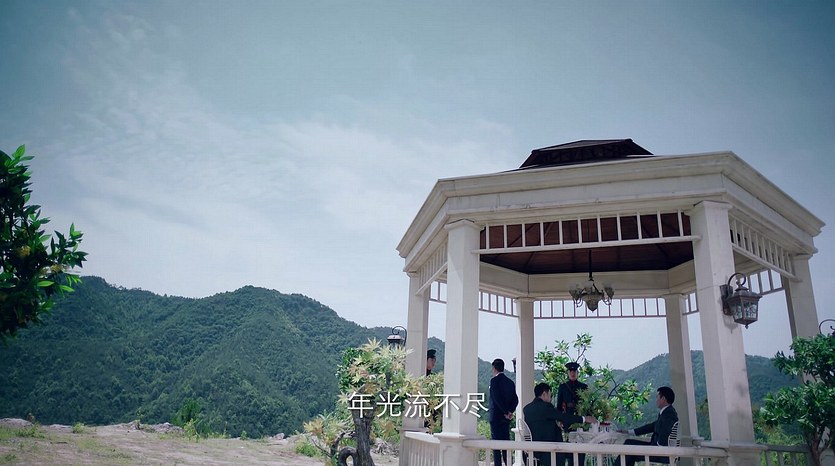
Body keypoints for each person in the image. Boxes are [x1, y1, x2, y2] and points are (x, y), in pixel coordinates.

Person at [523, 382, 598, 466]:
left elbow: (541, 424)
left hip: (533, 450)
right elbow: (563, 416)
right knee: (579, 451)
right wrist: (584, 419)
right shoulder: (546, 407)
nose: (550, 398)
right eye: (550, 395)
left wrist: (555, 424)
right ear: (544, 394)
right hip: (550, 449)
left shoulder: (527, 409)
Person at [618, 386, 679, 466]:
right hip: (658, 449)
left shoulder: (669, 414)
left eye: (657, 397)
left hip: (661, 453)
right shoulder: (666, 412)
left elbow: (666, 431)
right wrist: (629, 432)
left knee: (628, 447)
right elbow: (651, 426)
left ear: (663, 399)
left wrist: (658, 446)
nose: (656, 399)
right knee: (629, 445)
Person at [489, 358, 518, 466]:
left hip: (496, 417)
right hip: (506, 418)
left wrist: (505, 411)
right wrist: (510, 411)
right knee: (506, 443)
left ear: (494, 368)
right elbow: (516, 399)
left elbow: (496, 399)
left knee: (496, 445)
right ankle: (508, 463)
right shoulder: (510, 382)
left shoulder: (494, 381)